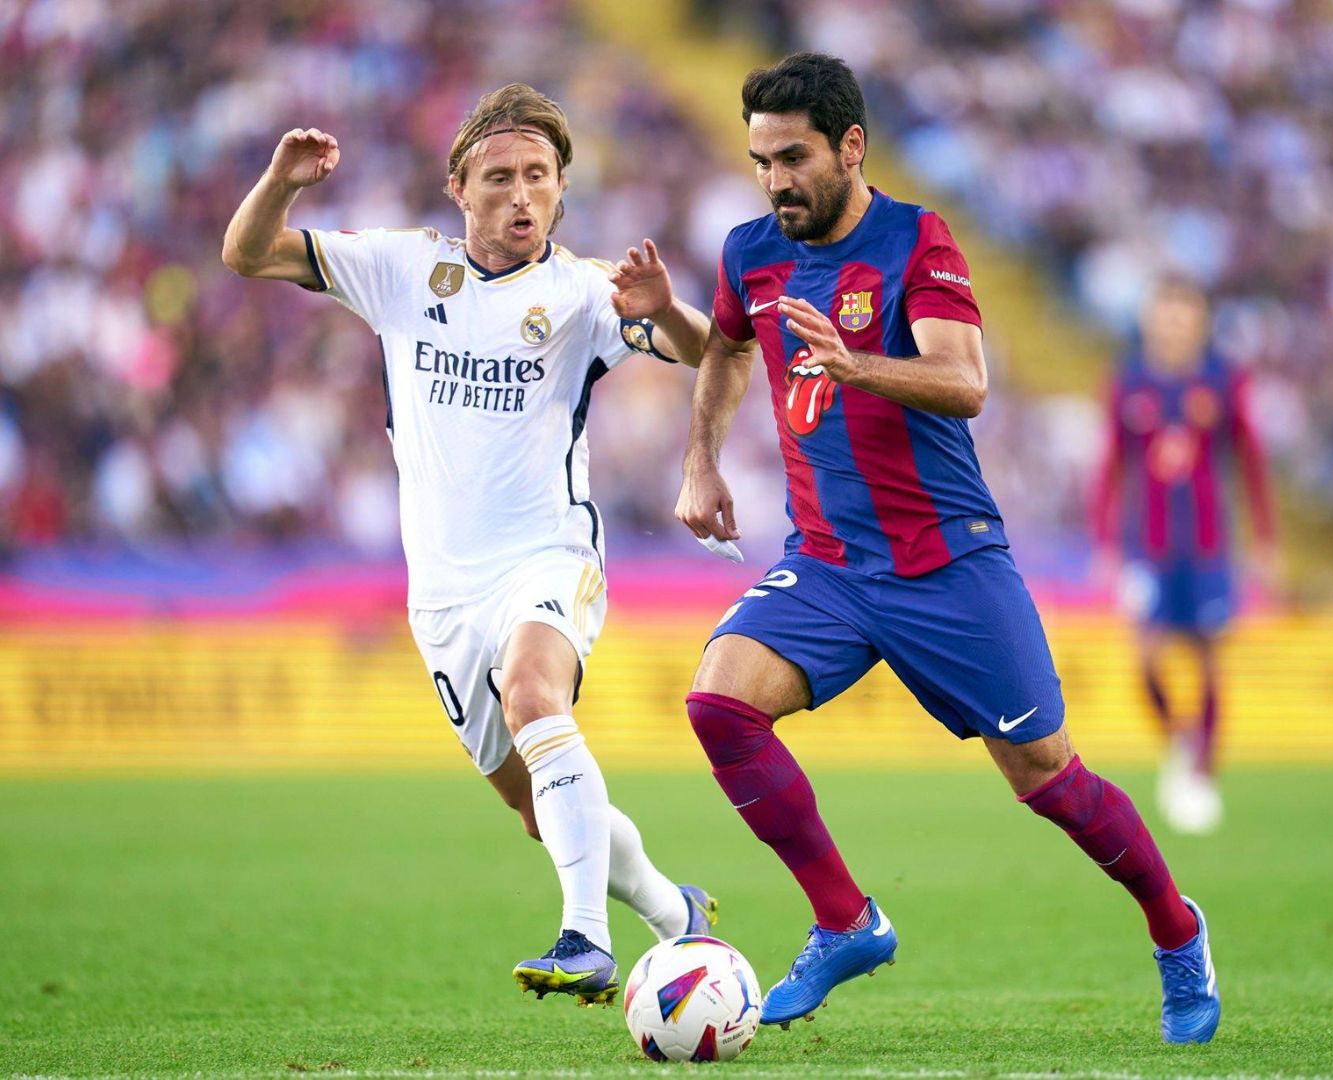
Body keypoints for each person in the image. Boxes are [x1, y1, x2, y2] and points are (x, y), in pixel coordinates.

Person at [674, 53, 1221, 1044]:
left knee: (1047, 780)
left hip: (945, 562)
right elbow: (723, 345)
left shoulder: (914, 239)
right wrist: (700, 464)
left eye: (792, 157)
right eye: (760, 160)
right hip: (830, 564)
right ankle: (844, 919)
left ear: (850, 147)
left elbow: (964, 381)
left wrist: (856, 366)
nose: (774, 180)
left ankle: (1175, 929)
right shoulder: (748, 251)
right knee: (717, 703)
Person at [221, 84, 717, 1007]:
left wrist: (669, 309)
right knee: (541, 811)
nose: (521, 194)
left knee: (536, 693)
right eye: (500, 177)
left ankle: (584, 939)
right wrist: (282, 183)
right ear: (460, 187)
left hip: (548, 557)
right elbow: (246, 253)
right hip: (443, 596)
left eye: (539, 176)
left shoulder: (584, 292)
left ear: (562, 190)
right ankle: (672, 911)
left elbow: (700, 350)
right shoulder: (403, 271)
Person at [1092, 278, 1276, 834]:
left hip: (1207, 543)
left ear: (1199, 321)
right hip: (1146, 544)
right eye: (1164, 314)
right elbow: (1110, 465)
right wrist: (1104, 542)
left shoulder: (1223, 380)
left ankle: (1201, 773)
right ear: (1150, 319)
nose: (1173, 324)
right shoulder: (1128, 382)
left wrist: (1265, 539)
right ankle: (1179, 741)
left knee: (1208, 658)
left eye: (1183, 314)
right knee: (1145, 657)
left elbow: (1250, 459)